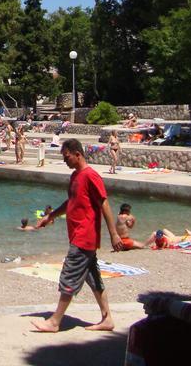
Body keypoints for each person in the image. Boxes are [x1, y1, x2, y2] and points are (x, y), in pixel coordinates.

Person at [31, 138, 123, 333]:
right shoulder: (75, 177)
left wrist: (114, 233)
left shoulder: (91, 176)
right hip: (78, 236)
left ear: (77, 154)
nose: (65, 161)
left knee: (69, 275)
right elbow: (70, 202)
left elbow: (103, 203)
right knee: (93, 278)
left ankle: (55, 321)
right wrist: (50, 216)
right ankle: (107, 319)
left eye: (67, 157)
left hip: (84, 236)